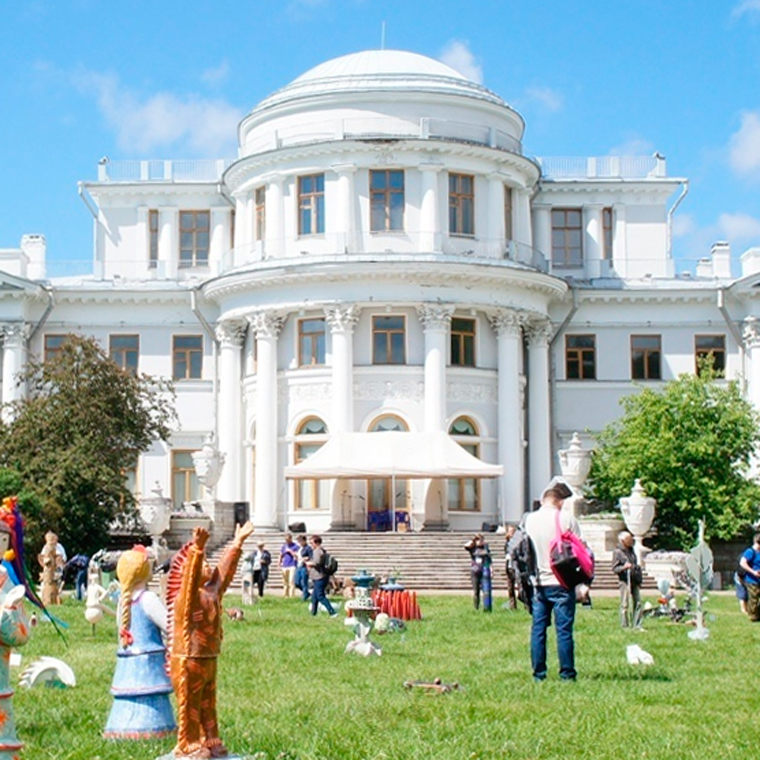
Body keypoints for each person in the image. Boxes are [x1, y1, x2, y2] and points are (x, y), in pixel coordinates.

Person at [167, 520, 254, 759]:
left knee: (208, 701)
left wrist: (237, 543)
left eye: (206, 561)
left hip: (208, 656)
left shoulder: (210, 594)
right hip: (188, 658)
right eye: (202, 563)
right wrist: (197, 550)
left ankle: (211, 737)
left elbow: (223, 574)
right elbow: (188, 581)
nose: (207, 565)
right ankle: (188, 743)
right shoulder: (186, 598)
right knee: (190, 701)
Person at [104, 546, 175, 740]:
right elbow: (170, 626)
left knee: (129, 693)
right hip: (149, 663)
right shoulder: (148, 598)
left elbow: (122, 626)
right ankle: (155, 728)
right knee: (150, 694)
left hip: (128, 664)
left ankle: (122, 729)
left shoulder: (123, 602)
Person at [524, 481, 580, 681]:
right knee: (563, 630)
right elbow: (578, 551)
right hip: (562, 582)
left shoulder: (529, 520)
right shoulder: (565, 518)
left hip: (538, 582)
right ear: (558, 501)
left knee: (538, 629)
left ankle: (539, 673)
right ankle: (567, 673)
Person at [611, 530, 643, 629]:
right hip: (625, 580)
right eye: (628, 539)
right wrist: (624, 567)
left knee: (638, 602)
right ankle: (625, 625)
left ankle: (637, 624)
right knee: (625, 603)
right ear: (622, 540)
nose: (631, 540)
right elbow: (614, 568)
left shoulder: (631, 551)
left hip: (634, 579)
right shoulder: (617, 552)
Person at [306, 535, 337, 617]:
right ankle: (313, 613)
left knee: (320, 596)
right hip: (319, 576)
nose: (311, 545)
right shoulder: (321, 550)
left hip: (320, 576)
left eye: (312, 543)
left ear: (316, 543)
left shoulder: (317, 551)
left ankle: (332, 612)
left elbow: (317, 563)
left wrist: (308, 563)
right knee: (314, 596)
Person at [464, 534, 491, 611]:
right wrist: (472, 541)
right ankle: (476, 607)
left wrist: (491, 570)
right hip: (475, 571)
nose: (479, 541)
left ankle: (486, 607)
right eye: (478, 540)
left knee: (485, 591)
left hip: (484, 571)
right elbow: (466, 546)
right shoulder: (473, 548)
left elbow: (489, 559)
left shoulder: (485, 548)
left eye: (481, 540)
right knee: (476, 591)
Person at [739, 532, 760, 621]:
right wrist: (753, 572)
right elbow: (742, 563)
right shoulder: (750, 552)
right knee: (754, 599)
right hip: (752, 580)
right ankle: (753, 616)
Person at [278, 533, 299, 598]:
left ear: (290, 539)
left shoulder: (295, 546)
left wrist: (290, 551)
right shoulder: (284, 546)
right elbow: (281, 555)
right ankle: (285, 594)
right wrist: (279, 562)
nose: (286, 541)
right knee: (285, 581)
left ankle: (291, 595)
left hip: (292, 564)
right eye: (285, 540)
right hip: (285, 565)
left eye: (288, 539)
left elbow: (296, 555)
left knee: (291, 581)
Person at [503, 525, 518, 610]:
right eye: (510, 531)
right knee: (510, 588)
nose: (511, 533)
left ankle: (526, 604)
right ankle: (513, 606)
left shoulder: (518, 543)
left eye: (513, 531)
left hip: (516, 566)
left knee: (521, 587)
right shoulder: (507, 543)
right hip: (509, 567)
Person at [294, 534, 312, 601]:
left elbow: (311, 557)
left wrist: (306, 559)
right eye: (299, 541)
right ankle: (306, 593)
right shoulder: (299, 548)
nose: (299, 543)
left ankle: (304, 597)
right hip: (298, 566)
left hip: (304, 566)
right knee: (297, 582)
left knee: (304, 582)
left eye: (301, 541)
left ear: (304, 540)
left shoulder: (308, 548)